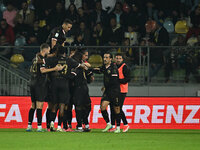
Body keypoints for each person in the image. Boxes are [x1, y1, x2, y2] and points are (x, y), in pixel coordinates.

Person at [26, 43, 63, 132]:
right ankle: (39, 126)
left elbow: (31, 70)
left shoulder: (34, 59)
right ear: (45, 50)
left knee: (33, 105)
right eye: (48, 50)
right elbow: (43, 70)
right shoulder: (42, 59)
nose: (49, 52)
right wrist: (55, 69)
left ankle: (29, 126)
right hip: (40, 84)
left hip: (32, 82)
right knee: (40, 105)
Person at [92, 52, 121, 133]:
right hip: (108, 91)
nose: (105, 59)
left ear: (111, 59)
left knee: (116, 109)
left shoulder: (113, 67)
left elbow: (114, 81)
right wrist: (89, 69)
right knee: (103, 107)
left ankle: (118, 127)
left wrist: (105, 86)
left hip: (114, 91)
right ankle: (109, 124)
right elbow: (98, 70)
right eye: (104, 57)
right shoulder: (104, 67)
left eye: (107, 57)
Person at [72, 50, 93, 132]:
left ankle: (82, 124)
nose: (86, 57)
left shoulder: (81, 65)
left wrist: (90, 75)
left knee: (84, 106)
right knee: (82, 106)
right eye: (85, 55)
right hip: (80, 87)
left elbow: (89, 72)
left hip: (82, 87)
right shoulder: (77, 65)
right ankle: (83, 125)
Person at [109, 53, 130, 132]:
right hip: (113, 90)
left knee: (118, 108)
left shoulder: (125, 67)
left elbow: (128, 79)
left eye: (119, 58)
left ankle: (125, 124)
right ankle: (113, 125)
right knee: (112, 107)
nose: (118, 60)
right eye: (117, 58)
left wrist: (118, 81)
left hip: (122, 90)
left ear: (122, 59)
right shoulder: (113, 66)